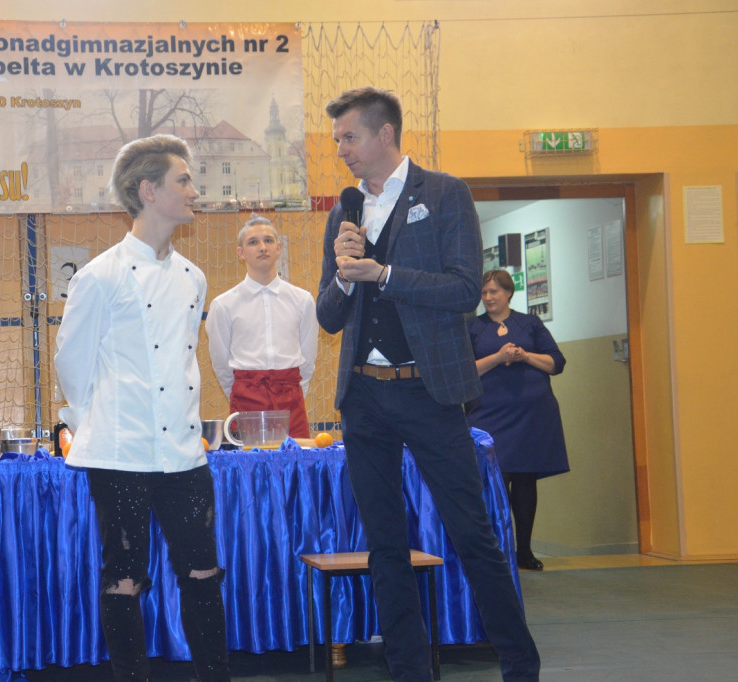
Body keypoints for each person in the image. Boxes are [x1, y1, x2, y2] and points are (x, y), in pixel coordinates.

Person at [316, 87, 540, 681]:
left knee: (472, 534)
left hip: (429, 391)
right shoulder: (343, 212)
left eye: (349, 137)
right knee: (385, 545)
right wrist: (345, 277)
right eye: (337, 139)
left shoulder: (444, 193)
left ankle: (521, 666)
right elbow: (328, 316)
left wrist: (384, 274)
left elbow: (465, 290)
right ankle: (408, 670)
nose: (341, 149)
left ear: (384, 134)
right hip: (363, 397)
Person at [54, 134, 229, 682]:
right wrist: (103, 424)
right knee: (124, 578)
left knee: (202, 572)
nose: (194, 190)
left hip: (184, 453)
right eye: (184, 180)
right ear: (149, 191)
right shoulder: (99, 276)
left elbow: (182, 362)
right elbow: (72, 366)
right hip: (120, 452)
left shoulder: (194, 277)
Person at [468, 269, 569, 572]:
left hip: (531, 416)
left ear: (509, 293)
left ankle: (524, 551)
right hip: (489, 416)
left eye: (494, 292)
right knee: (494, 482)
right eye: (484, 293)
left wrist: (525, 356)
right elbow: (463, 371)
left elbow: (556, 363)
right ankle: (498, 552)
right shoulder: (473, 327)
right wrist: (498, 358)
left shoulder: (530, 324)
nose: (488, 298)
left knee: (525, 482)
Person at [205, 215, 317, 438]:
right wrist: (243, 391)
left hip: (292, 400)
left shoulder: (303, 300)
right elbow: (221, 364)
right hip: (246, 400)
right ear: (240, 253)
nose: (262, 247)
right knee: (249, 460)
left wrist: (292, 391)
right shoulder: (223, 305)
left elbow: (308, 359)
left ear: (278, 248)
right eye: (253, 242)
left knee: (296, 459)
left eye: (268, 240)